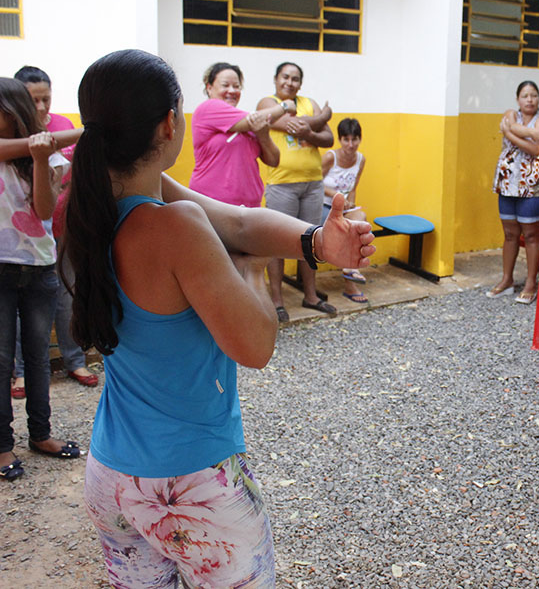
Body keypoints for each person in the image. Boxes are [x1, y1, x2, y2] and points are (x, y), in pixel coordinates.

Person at [66, 49, 373, 585]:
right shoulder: (174, 226)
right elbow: (255, 345)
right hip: (193, 484)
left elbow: (237, 220)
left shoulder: (90, 202)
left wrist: (318, 242)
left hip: (112, 475)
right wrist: (250, 270)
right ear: (169, 124)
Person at [0, 77, 83, 481]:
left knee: (37, 358)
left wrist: (38, 157)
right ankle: (1, 446)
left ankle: (41, 434)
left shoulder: (46, 158)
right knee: (1, 362)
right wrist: (78, 133)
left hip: (38, 269)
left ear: (13, 112)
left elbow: (44, 211)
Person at [12, 66, 99, 391]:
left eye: (46, 99)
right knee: (21, 305)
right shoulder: (13, 131)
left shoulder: (62, 126)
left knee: (67, 296)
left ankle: (74, 361)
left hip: (64, 229)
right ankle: (20, 371)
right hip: (23, 239)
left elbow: (76, 175)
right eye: (34, 100)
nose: (42, 107)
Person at [257, 62, 336, 319]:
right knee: (277, 243)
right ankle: (278, 302)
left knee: (310, 242)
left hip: (313, 184)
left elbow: (328, 139)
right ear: (276, 79)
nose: (289, 83)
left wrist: (310, 131)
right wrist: (321, 118)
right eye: (285, 77)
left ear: (300, 84)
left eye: (295, 79)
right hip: (281, 185)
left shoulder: (308, 102)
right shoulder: (266, 103)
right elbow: (283, 124)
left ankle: (310, 296)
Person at [188, 62, 292, 208]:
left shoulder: (247, 123)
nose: (232, 90)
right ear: (209, 88)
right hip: (212, 205)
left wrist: (263, 136)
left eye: (236, 86)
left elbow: (274, 160)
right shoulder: (208, 108)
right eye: (225, 85)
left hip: (249, 209)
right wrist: (285, 106)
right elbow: (260, 118)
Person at [488, 80, 539, 305]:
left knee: (532, 234)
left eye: (534, 95)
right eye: (525, 96)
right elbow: (529, 137)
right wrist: (529, 132)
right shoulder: (510, 113)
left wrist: (510, 132)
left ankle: (530, 283)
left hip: (533, 186)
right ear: (518, 99)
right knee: (509, 234)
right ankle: (507, 279)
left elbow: (537, 149)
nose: (529, 100)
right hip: (507, 184)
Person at [321, 117, 368, 304]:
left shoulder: (361, 159)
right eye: (346, 139)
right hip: (323, 206)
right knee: (345, 230)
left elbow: (354, 187)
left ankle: (350, 273)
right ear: (340, 140)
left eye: (355, 139)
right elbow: (314, 183)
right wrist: (336, 196)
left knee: (360, 221)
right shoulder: (330, 157)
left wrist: (351, 204)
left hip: (344, 209)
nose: (351, 144)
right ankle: (350, 283)